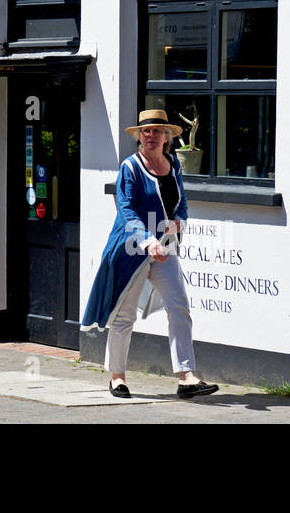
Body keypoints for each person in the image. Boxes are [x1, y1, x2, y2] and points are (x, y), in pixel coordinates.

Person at [80, 110, 218, 399]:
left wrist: (180, 220)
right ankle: (117, 377)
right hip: (132, 248)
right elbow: (126, 210)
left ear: (167, 137)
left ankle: (186, 377)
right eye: (145, 132)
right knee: (124, 314)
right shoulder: (130, 168)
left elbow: (181, 201)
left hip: (164, 246)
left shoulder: (173, 165)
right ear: (139, 137)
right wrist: (146, 241)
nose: (151, 136)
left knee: (179, 306)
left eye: (157, 131)